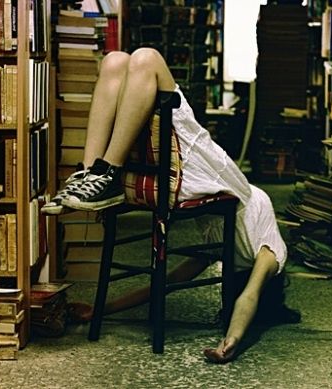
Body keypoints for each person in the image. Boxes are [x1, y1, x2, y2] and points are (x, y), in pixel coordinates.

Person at [42, 48, 299, 363]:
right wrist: (230, 339)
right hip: (208, 178)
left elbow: (179, 286)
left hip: (203, 175)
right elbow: (237, 292)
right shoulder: (260, 255)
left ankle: (103, 171)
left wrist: (231, 341)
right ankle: (92, 174)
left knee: (143, 59)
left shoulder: (245, 255)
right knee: (116, 62)